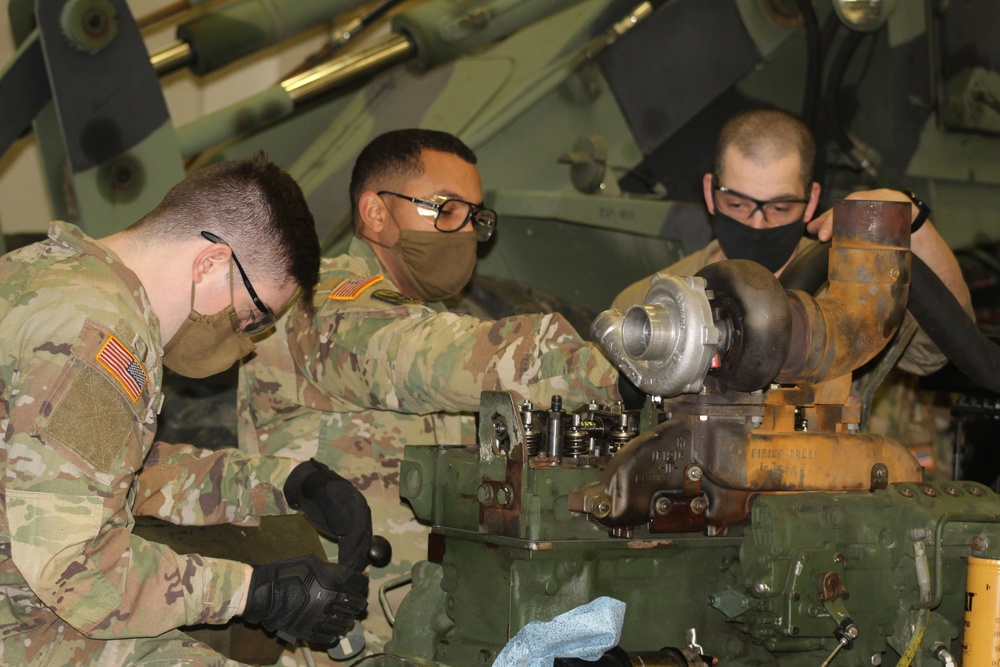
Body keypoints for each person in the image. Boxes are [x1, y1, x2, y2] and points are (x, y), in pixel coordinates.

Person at [237, 129, 622, 654]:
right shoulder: (322, 301)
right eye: (445, 209)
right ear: (376, 213)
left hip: (426, 633)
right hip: (329, 639)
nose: (463, 230)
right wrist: (611, 368)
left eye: (474, 216)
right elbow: (415, 359)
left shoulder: (435, 321)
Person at [0, 153, 373, 666]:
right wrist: (254, 592)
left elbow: (92, 472)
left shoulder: (41, 271)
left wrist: (281, 485)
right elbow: (76, 569)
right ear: (212, 263)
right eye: (253, 314)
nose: (246, 338)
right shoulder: (100, 335)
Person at [612, 108, 973, 469]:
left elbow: (944, 350)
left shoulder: (851, 292)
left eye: (780, 207)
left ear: (812, 201)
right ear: (710, 192)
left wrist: (910, 220)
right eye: (736, 204)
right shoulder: (649, 303)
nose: (757, 222)